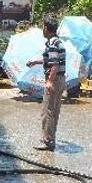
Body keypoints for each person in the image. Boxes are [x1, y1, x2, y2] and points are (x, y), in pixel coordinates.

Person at [26, 16, 66, 151]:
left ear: (47, 29)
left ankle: (47, 141)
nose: (42, 30)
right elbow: (53, 61)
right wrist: (36, 62)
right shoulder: (57, 42)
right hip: (60, 79)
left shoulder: (53, 44)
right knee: (54, 110)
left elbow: (54, 65)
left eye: (43, 27)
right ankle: (50, 138)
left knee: (48, 110)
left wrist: (49, 81)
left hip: (55, 79)